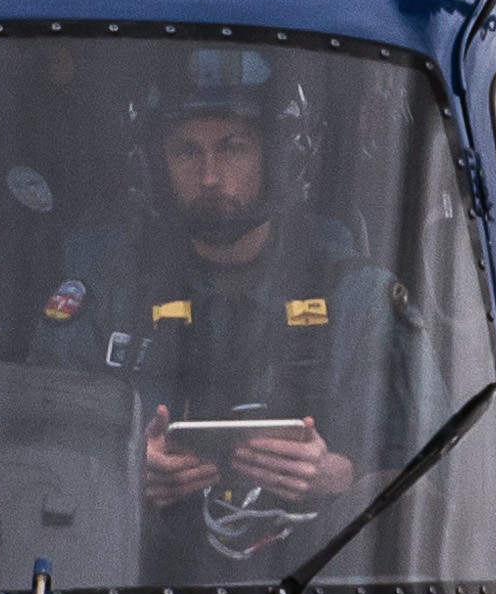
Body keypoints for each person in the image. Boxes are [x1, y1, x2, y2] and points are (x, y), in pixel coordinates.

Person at [32, 47, 420, 558]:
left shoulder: (361, 300)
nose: (209, 177)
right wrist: (119, 471)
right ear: (156, 164)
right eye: (187, 152)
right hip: (129, 588)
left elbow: (449, 485)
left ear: (278, 158)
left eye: (233, 148)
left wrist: (338, 477)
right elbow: (26, 455)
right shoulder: (102, 292)